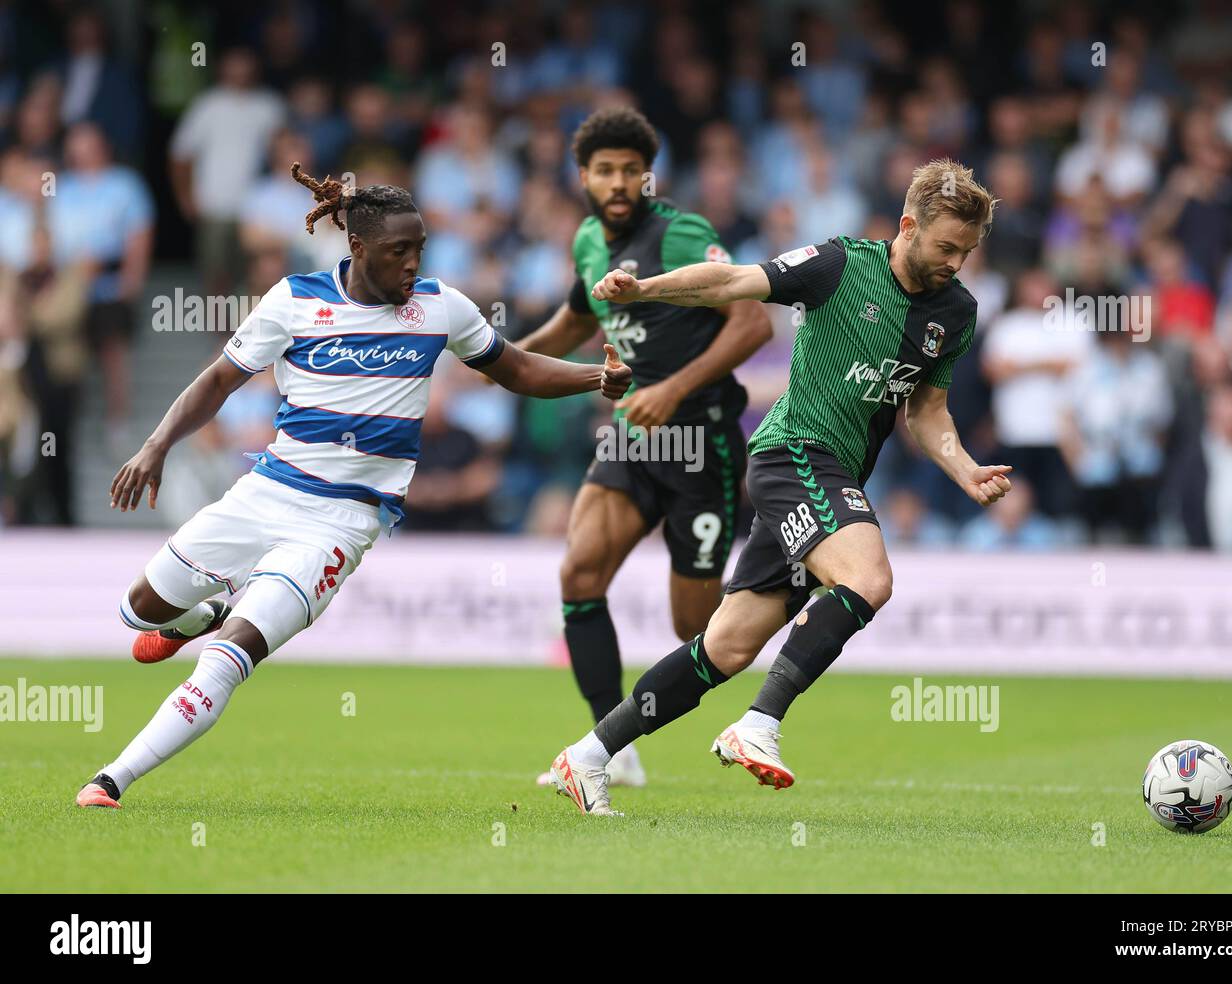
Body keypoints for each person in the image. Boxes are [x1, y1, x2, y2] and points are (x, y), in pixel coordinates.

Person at [75, 165, 631, 809]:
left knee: (228, 659)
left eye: (420, 248)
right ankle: (202, 614)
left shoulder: (440, 307)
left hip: (340, 523)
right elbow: (218, 382)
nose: (413, 264)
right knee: (139, 612)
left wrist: (596, 377)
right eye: (400, 251)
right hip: (265, 493)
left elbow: (518, 368)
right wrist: (155, 445)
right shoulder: (293, 299)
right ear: (358, 248)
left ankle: (112, 777)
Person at [549, 159, 1011, 815]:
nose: (957, 263)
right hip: (791, 453)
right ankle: (759, 724)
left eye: (967, 251)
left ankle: (588, 756)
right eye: (946, 247)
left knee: (727, 645)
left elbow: (927, 410)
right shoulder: (839, 265)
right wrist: (644, 287)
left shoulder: (955, 313)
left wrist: (963, 467)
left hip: (831, 476)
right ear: (909, 226)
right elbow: (734, 280)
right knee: (869, 579)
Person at [513, 107, 770, 788]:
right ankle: (611, 748)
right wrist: (489, 357)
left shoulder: (681, 232)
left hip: (701, 444)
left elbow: (752, 325)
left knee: (700, 630)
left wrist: (672, 389)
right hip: (632, 436)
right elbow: (572, 323)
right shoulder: (588, 242)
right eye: (606, 170)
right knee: (580, 575)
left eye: (632, 169)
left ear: (649, 175)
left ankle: (781, 611)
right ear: (584, 177)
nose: (620, 181)